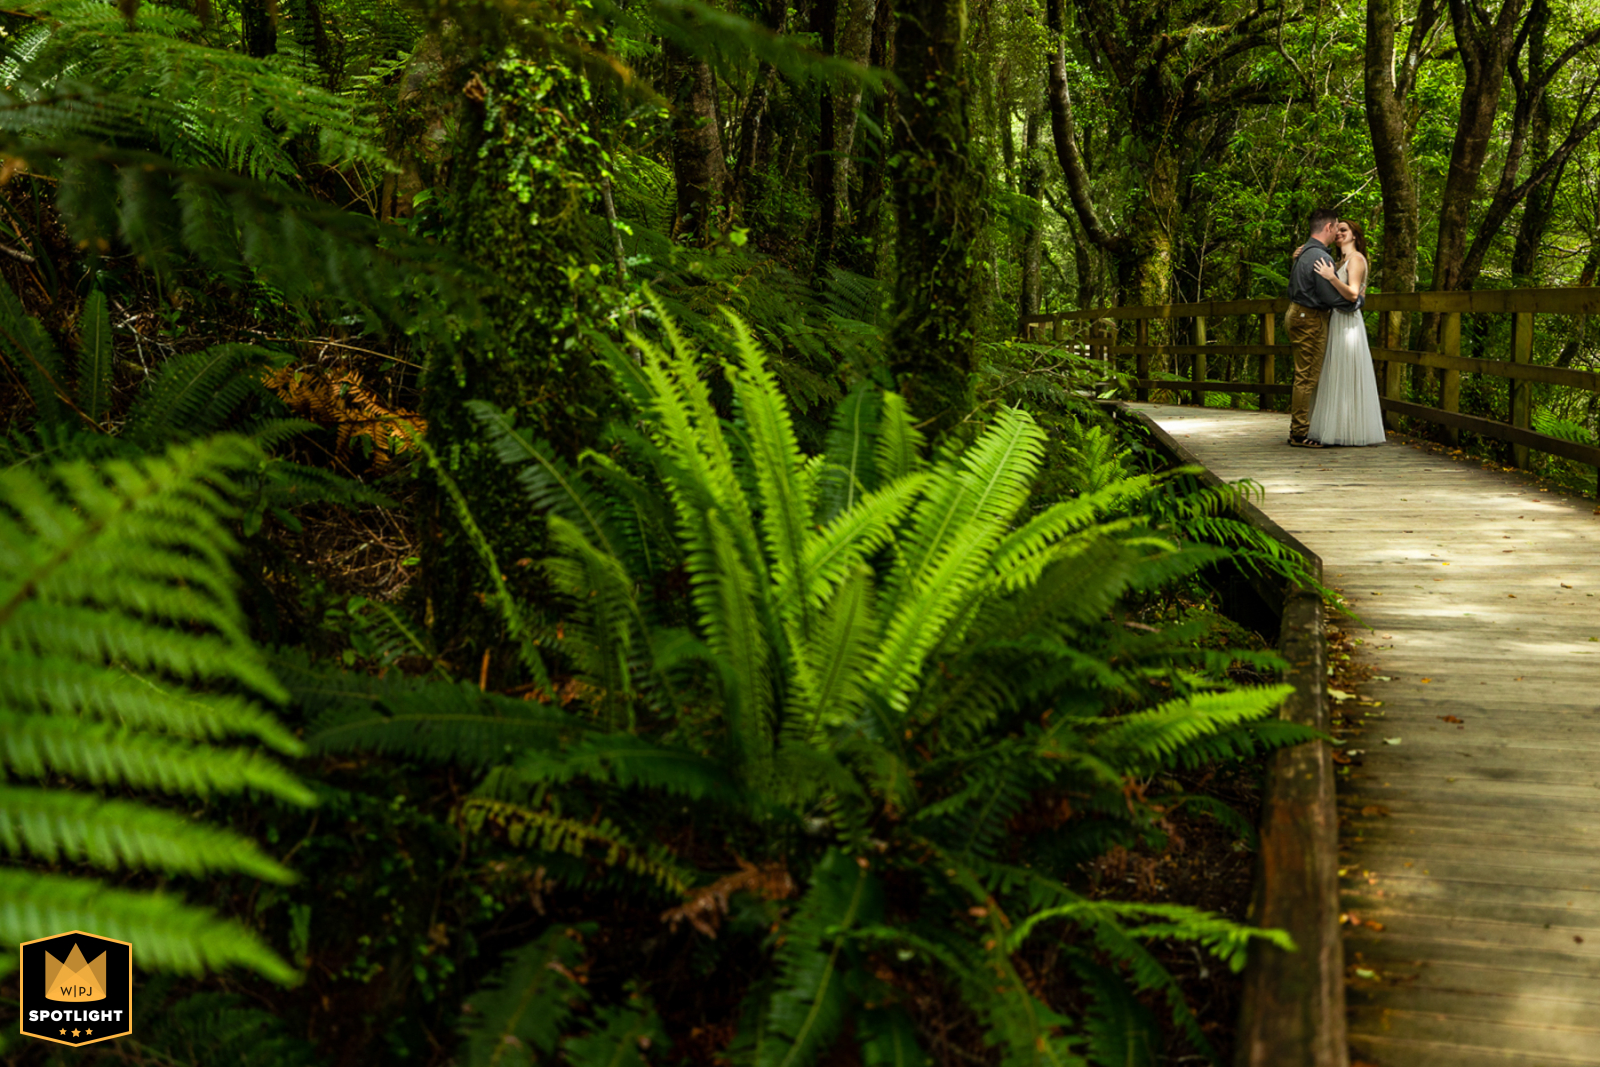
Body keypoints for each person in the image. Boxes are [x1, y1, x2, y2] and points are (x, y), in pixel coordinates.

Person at [1307, 220, 1385, 446]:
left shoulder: (1357, 259)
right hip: (1336, 319)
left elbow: (1353, 294)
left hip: (1348, 322)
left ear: (1354, 236)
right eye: (1337, 230)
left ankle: (1348, 430)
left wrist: (1331, 277)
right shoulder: (1341, 260)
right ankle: (1336, 427)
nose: (1339, 233)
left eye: (1344, 230)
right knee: (1334, 372)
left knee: (1345, 369)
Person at [1284, 208, 1358, 448]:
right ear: (1328, 227)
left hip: (1296, 313)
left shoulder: (1303, 252)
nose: (1337, 232)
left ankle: (1301, 427)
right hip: (1310, 319)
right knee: (1306, 376)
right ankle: (1299, 433)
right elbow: (1328, 297)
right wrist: (1354, 302)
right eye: (1336, 227)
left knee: (1303, 373)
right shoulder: (1320, 257)